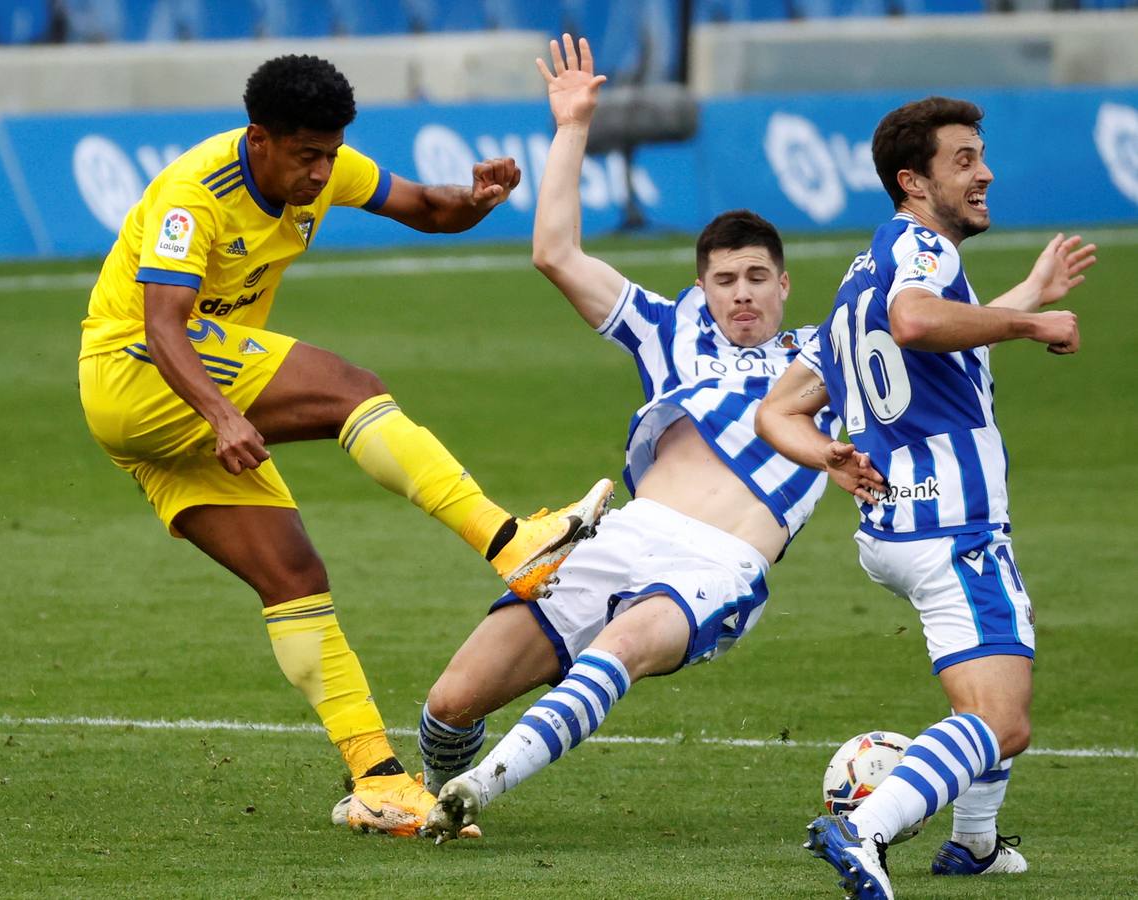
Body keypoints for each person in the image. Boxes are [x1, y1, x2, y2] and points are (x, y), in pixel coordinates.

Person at [77, 53, 613, 839]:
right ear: (259, 138)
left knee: (293, 577)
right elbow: (163, 326)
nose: (322, 171)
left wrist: (478, 200)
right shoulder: (195, 195)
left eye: (331, 153)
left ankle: (376, 781)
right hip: (138, 370)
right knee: (351, 390)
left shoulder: (324, 166)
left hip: (174, 402)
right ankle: (513, 543)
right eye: (307, 155)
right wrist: (224, 415)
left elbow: (427, 207)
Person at [416, 35, 858, 842]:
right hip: (626, 532)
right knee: (451, 702)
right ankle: (438, 798)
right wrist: (573, 124)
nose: (742, 293)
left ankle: (481, 786)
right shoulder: (669, 327)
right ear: (703, 288)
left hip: (721, 561)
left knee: (619, 644)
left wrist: (1027, 302)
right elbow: (554, 253)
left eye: (758, 276)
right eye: (725, 279)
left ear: (786, 284)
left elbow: (925, 328)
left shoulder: (830, 355)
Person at [754, 96, 1096, 898]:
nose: (985, 174)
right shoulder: (921, 253)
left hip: (895, 521)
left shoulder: (863, 273)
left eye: (981, 156)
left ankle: (972, 846)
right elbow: (916, 322)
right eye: (964, 160)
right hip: (950, 516)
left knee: (1003, 653)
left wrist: (826, 455)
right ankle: (862, 828)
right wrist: (1032, 326)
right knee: (1003, 720)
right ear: (913, 182)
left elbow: (781, 408)